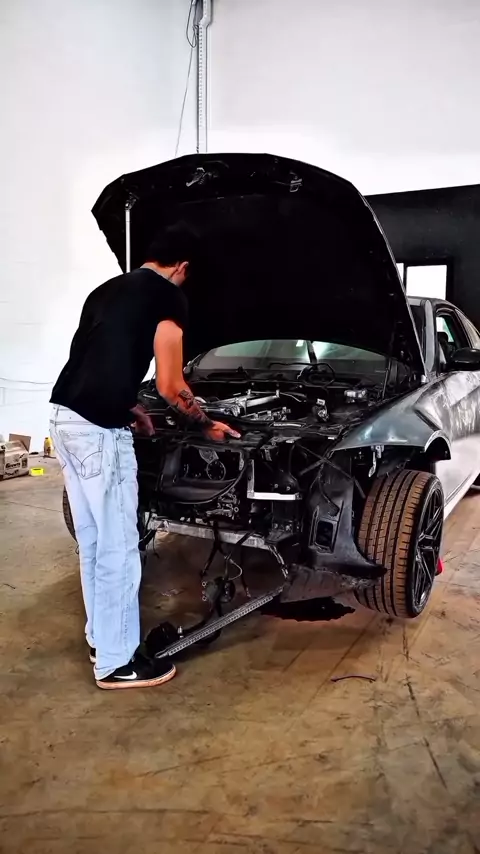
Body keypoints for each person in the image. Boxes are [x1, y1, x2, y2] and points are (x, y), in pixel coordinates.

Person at [50, 224, 240, 690]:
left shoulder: (106, 290)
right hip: (99, 433)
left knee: (95, 543)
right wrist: (206, 424)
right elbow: (172, 386)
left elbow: (94, 360)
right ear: (183, 266)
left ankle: (103, 640)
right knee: (118, 549)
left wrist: (129, 405)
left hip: (64, 418)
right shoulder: (168, 297)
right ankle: (117, 665)